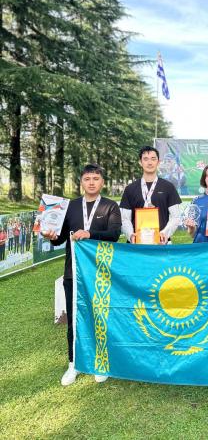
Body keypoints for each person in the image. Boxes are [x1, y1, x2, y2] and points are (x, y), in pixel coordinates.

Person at [42, 164, 121, 386]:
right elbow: (59, 238)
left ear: (102, 182)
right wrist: (51, 236)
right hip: (73, 273)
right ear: (81, 182)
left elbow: (114, 234)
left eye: (96, 178)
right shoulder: (70, 206)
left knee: (100, 317)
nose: (92, 182)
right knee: (74, 320)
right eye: (87, 179)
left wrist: (90, 233)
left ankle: (100, 362)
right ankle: (73, 363)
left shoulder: (110, 206)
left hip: (101, 272)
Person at [120, 146, 182, 244]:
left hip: (161, 243)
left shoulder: (168, 187)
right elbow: (124, 218)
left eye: (153, 159)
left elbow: (176, 216)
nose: (149, 163)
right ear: (140, 162)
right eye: (145, 159)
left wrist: (164, 233)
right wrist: (131, 235)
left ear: (158, 162)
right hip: (136, 244)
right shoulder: (130, 189)